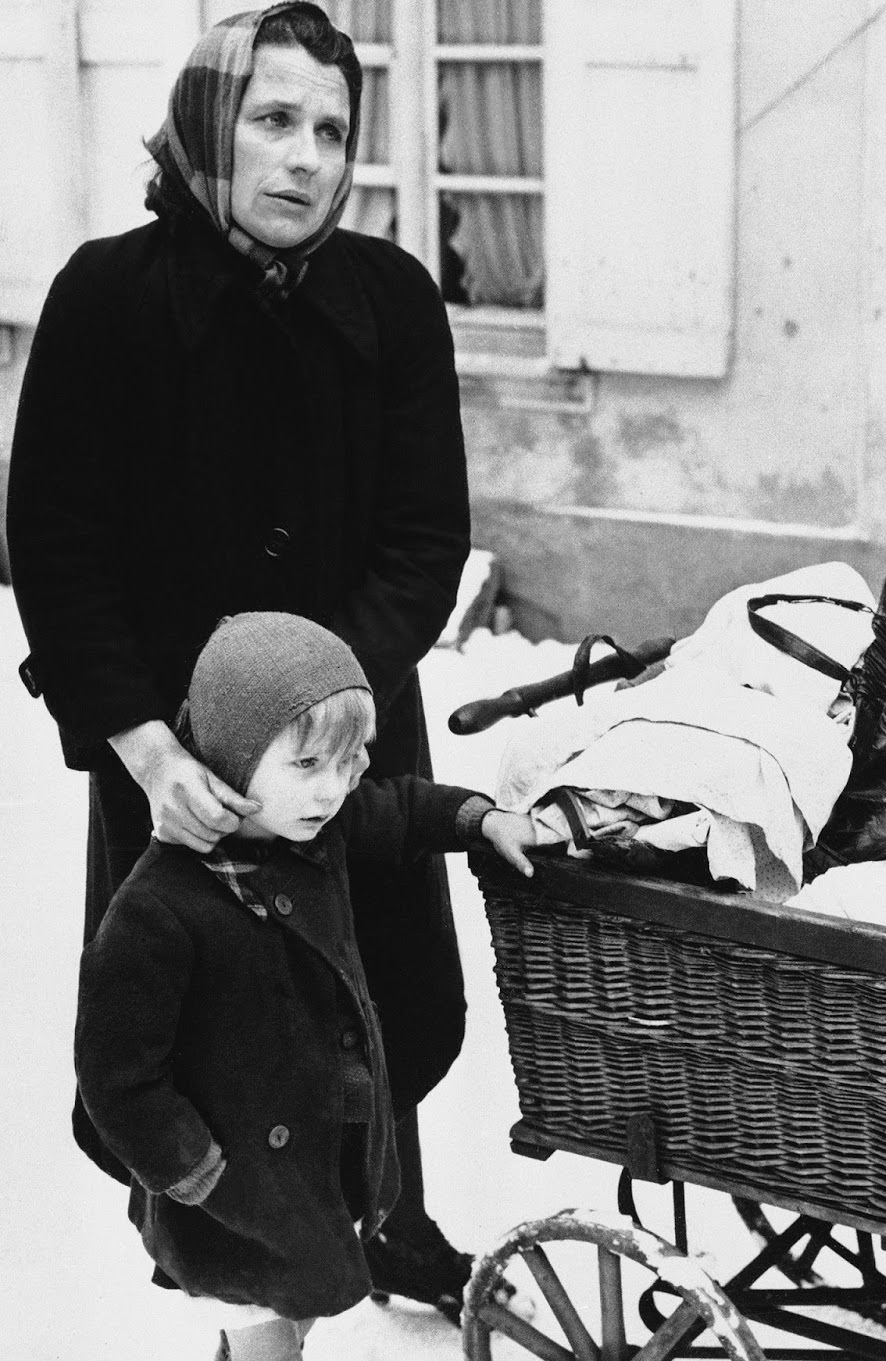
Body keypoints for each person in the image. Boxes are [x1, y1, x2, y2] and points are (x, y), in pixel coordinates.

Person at [5, 3, 480, 1319]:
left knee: (367, 998)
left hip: (342, 739)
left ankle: (395, 1217)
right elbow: (57, 551)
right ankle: (240, 1291)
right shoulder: (108, 300)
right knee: (212, 1033)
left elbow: (422, 539)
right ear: (212, 126)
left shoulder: (389, 304)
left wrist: (329, 699)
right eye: (274, 120)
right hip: (179, 764)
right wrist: (150, 746)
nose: (307, 157)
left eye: (333, 128)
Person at [75, 613, 539, 1361]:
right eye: (308, 765)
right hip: (229, 1201)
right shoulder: (157, 909)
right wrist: (194, 1168)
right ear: (231, 753)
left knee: (299, 1312)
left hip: (312, 1172)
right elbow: (116, 1075)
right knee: (270, 1339)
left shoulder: (311, 828)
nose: (333, 788)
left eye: (349, 762)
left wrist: (479, 819)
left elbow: (402, 807)